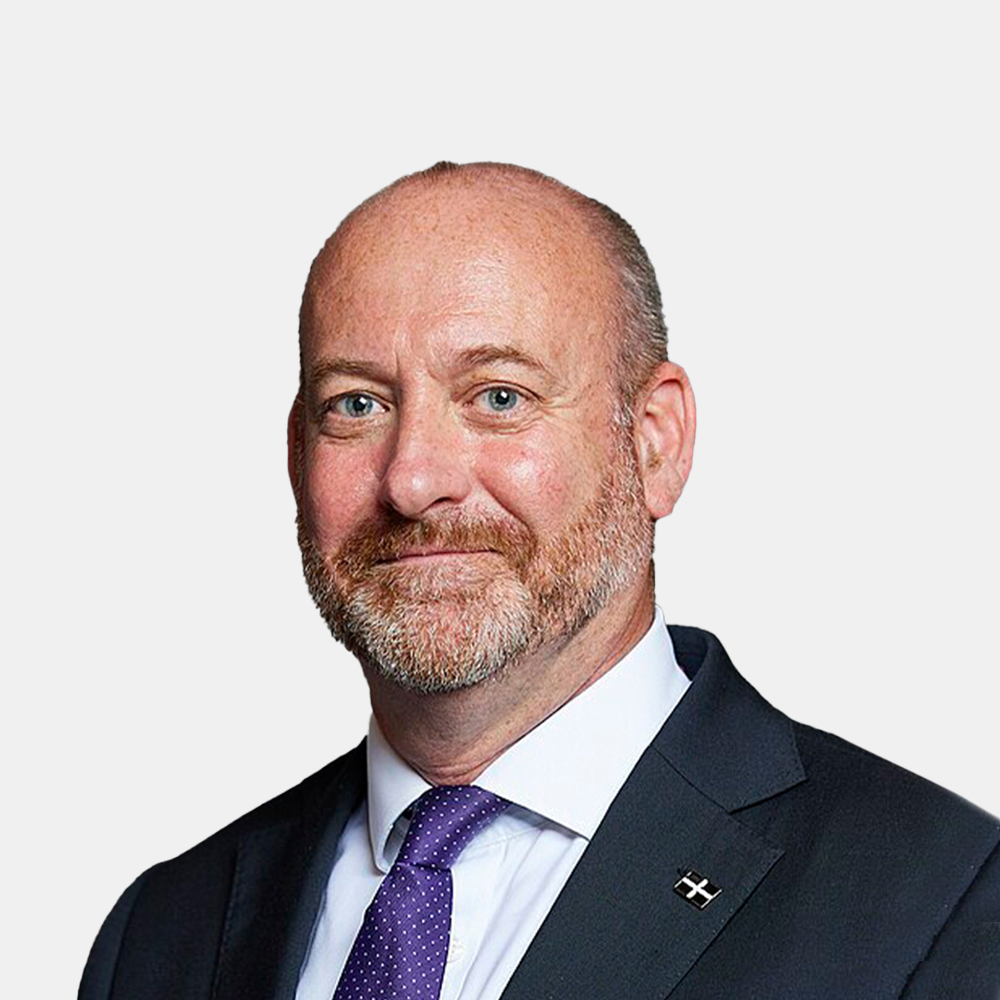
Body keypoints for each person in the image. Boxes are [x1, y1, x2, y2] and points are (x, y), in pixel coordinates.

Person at [79, 162, 1000, 1000]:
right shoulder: (160, 935)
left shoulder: (938, 908)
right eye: (356, 404)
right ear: (296, 456)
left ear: (655, 444)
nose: (413, 479)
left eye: (499, 397)